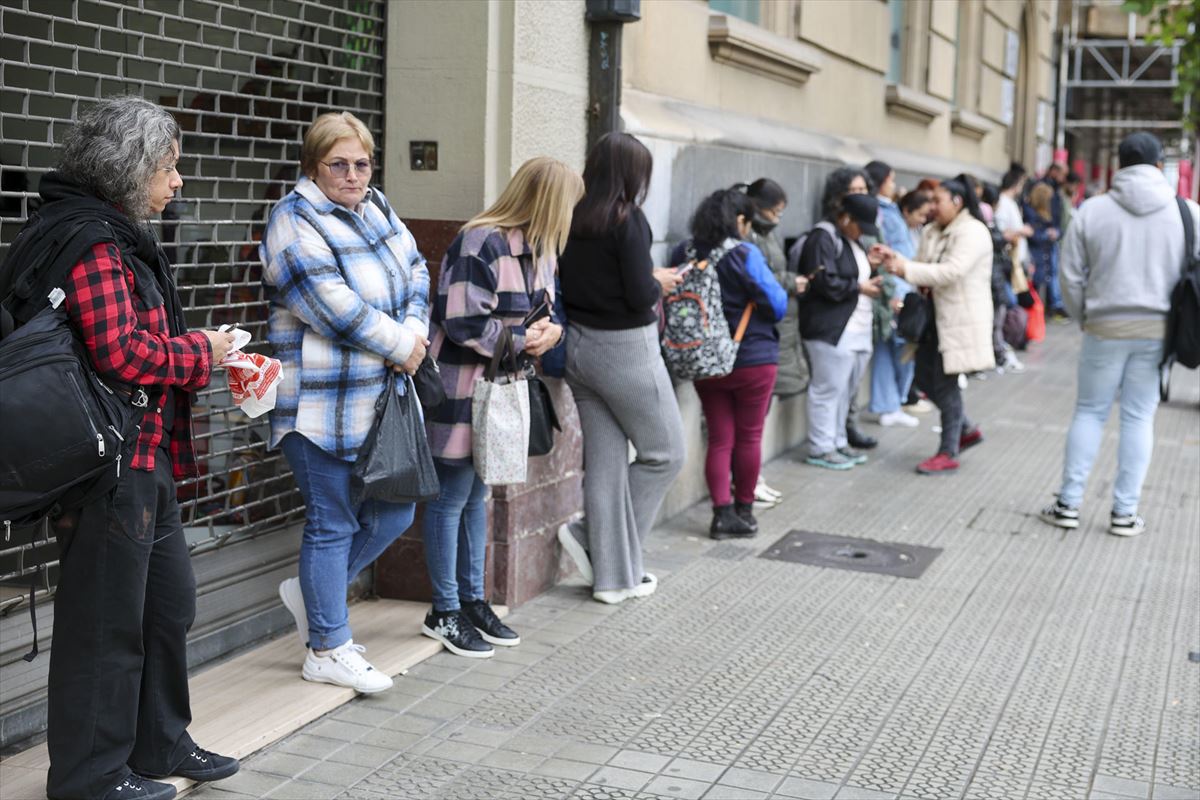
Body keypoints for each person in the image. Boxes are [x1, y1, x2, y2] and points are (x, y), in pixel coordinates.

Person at [5, 96, 240, 800]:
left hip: (146, 456)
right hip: (108, 467)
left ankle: (159, 740)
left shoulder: (110, 233)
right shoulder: (89, 240)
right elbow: (123, 353)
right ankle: (89, 779)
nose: (178, 183)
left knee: (168, 607)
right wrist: (205, 353)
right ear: (130, 168)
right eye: (169, 168)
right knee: (104, 629)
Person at [261, 112, 428, 692]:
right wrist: (403, 343)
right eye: (339, 164)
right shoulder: (293, 219)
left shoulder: (376, 206)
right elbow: (328, 305)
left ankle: (315, 596)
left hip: (380, 403)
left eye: (362, 163)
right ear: (313, 165)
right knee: (331, 523)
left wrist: (413, 329)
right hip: (319, 406)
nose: (353, 175)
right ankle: (327, 647)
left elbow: (416, 270)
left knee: (396, 511)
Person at [425, 157, 582, 642]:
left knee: (478, 496)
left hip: (501, 389)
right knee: (452, 497)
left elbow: (547, 312)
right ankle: (444, 609)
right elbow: (463, 322)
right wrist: (522, 340)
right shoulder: (483, 241)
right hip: (461, 386)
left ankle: (473, 601)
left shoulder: (542, 247)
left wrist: (551, 334)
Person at [1041, 132, 1200, 537]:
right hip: (1159, 331)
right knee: (1139, 417)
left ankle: (1068, 504)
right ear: (1158, 162)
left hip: (1104, 325)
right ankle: (1124, 514)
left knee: (1090, 411)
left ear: (1120, 163)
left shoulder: (1092, 211)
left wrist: (1083, 316)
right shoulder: (1188, 213)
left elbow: (1070, 276)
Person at [557, 133, 685, 604]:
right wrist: (659, 283)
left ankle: (613, 579)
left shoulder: (570, 217)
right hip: (626, 351)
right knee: (666, 454)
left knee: (608, 465)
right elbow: (637, 294)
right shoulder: (627, 221)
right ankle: (593, 537)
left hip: (578, 350)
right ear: (633, 175)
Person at [669, 188, 787, 537]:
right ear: (739, 221)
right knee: (749, 437)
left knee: (720, 437)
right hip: (753, 358)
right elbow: (777, 304)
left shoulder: (684, 251)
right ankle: (744, 512)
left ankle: (721, 515)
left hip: (704, 359)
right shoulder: (744, 253)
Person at [880, 176, 994, 474]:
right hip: (931, 319)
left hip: (957, 320)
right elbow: (922, 267)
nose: (932, 206)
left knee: (944, 385)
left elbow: (951, 272)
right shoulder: (932, 231)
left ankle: (948, 450)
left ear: (957, 202)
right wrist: (895, 261)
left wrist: (906, 268)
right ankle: (965, 429)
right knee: (923, 378)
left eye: (937, 201)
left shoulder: (973, 232)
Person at [797, 180, 886, 470]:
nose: (863, 233)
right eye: (860, 225)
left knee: (845, 391)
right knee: (827, 390)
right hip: (832, 330)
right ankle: (821, 447)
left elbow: (849, 275)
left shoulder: (852, 240)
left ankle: (836, 442)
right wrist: (860, 288)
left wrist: (870, 267)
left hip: (855, 328)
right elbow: (823, 281)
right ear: (845, 217)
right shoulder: (824, 237)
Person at [745, 177, 800, 506]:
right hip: (753, 336)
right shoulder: (749, 237)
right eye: (775, 211)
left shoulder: (766, 233)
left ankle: (751, 479)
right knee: (746, 424)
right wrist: (792, 282)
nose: (778, 219)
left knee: (755, 419)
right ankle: (745, 483)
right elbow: (760, 281)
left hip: (769, 332)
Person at [864, 161, 919, 428]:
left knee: (894, 349)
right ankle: (890, 403)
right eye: (891, 180)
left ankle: (891, 403)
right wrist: (896, 295)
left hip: (901, 287)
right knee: (897, 349)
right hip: (898, 290)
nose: (895, 185)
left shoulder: (888, 209)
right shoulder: (881, 211)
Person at [993, 168, 1032, 371]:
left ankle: (1004, 346)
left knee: (1008, 303)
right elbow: (1001, 232)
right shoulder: (1003, 203)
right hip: (1006, 264)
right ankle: (1001, 348)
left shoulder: (1011, 203)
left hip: (1014, 263)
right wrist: (1020, 232)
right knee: (1007, 304)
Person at [1025, 182, 1066, 319]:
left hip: (1044, 253)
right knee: (1035, 286)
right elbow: (1033, 235)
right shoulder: (1031, 213)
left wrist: (1055, 233)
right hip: (1036, 255)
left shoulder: (1047, 213)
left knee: (1044, 282)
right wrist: (1047, 234)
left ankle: (1044, 312)